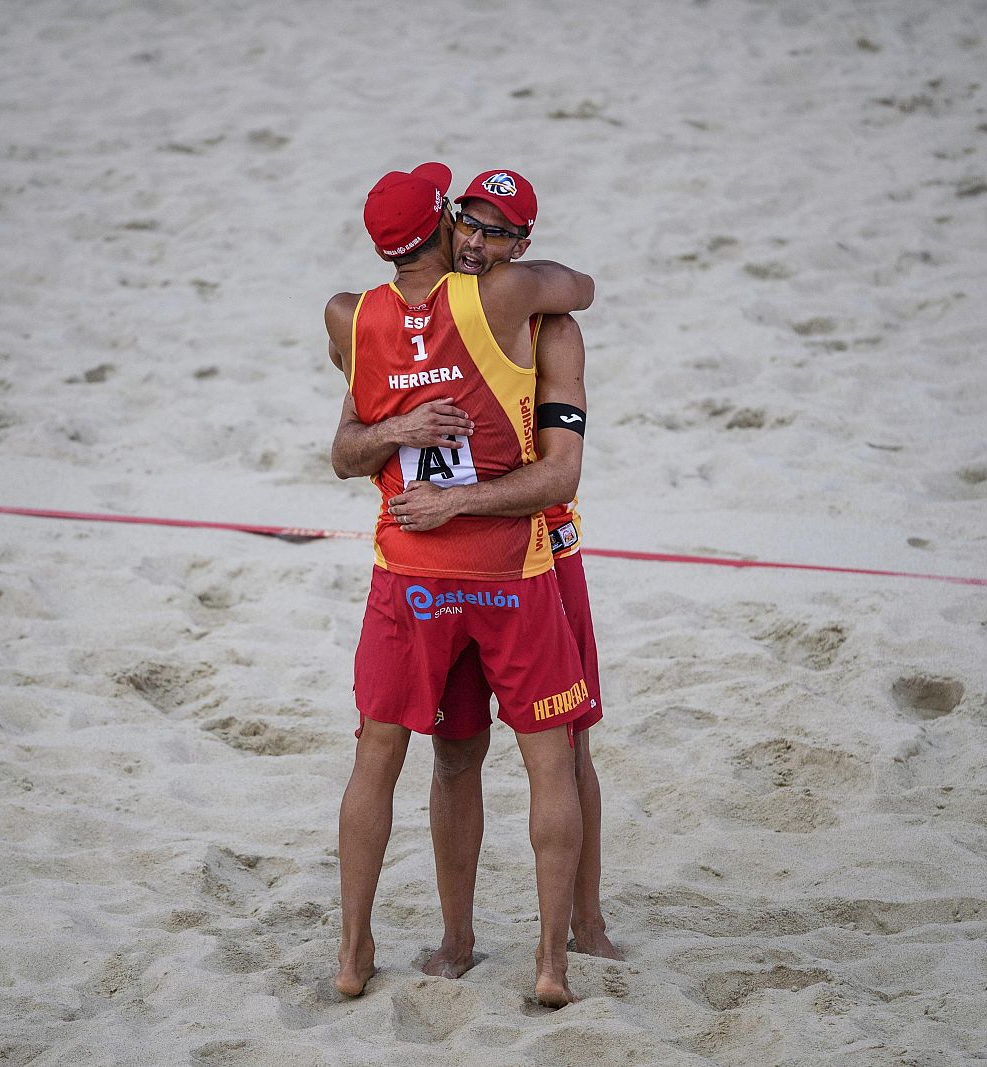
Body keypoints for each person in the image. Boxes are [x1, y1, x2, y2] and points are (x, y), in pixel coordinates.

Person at [331, 170, 618, 981]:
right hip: (468, 559)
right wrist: (405, 432)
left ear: (521, 244)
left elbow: (561, 470)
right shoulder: (440, 309)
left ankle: (583, 925)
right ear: (444, 223)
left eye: (496, 232)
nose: (476, 242)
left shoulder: (534, 317)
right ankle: (460, 942)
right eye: (467, 223)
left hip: (542, 545)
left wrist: (448, 494)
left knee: (570, 748)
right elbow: (352, 442)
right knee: (458, 752)